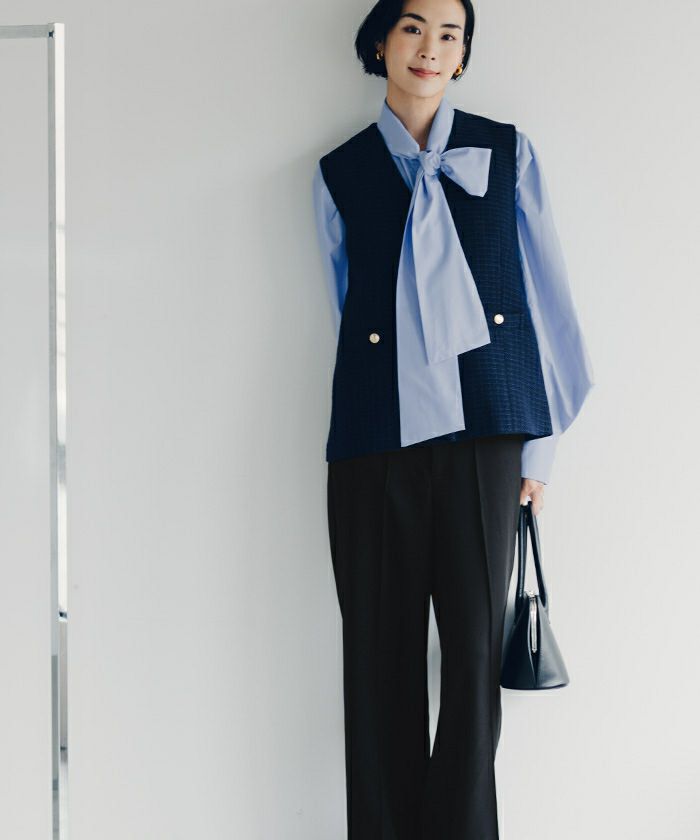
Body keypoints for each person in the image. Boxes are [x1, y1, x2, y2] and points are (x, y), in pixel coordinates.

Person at [311, 0, 595, 837]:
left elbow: (549, 304)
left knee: (472, 666)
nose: (431, 48)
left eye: (450, 35)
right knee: (378, 664)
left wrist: (539, 451)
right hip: (374, 444)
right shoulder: (338, 173)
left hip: (487, 441)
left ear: (463, 55)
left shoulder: (509, 153)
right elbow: (347, 306)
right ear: (379, 42)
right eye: (413, 28)